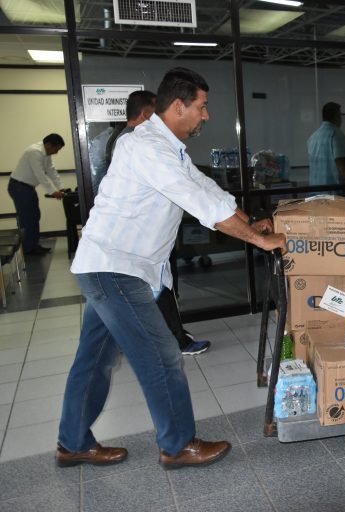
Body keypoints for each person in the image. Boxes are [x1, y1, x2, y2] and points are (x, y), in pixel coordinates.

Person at [56, 67, 286, 470]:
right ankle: (177, 445)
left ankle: (73, 443)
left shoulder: (168, 149)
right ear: (178, 106)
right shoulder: (146, 147)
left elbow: (208, 190)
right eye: (202, 106)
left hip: (109, 266)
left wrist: (251, 223)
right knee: (162, 354)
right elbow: (201, 206)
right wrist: (259, 240)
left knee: (94, 360)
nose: (206, 115)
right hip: (115, 269)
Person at [104, 90, 210, 356]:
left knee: (155, 289)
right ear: (146, 114)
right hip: (140, 239)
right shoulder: (136, 142)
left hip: (146, 236)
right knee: (157, 289)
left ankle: (172, 336)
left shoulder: (126, 139)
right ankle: (176, 340)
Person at [7, 133, 68, 255]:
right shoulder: (34, 152)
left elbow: (51, 170)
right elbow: (39, 174)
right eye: (56, 149)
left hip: (27, 188)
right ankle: (27, 249)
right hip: (19, 187)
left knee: (34, 216)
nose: (56, 152)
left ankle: (33, 245)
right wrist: (52, 191)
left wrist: (61, 188)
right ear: (49, 145)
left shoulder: (46, 153)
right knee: (27, 218)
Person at [307, 102, 345, 189]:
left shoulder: (313, 137)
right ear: (336, 116)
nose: (341, 119)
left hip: (315, 192)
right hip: (333, 195)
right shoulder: (336, 134)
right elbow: (341, 162)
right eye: (340, 116)